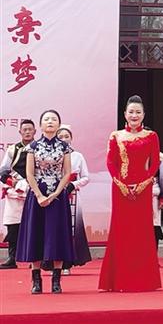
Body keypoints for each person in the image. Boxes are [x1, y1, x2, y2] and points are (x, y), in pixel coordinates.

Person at [99, 95, 161, 292]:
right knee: (121, 231)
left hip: (144, 188)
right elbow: (111, 162)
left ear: (144, 115)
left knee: (142, 232)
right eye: (131, 112)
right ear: (125, 114)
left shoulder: (151, 136)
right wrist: (120, 183)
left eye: (138, 112)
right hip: (120, 189)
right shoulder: (116, 136)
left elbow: (155, 163)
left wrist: (145, 183)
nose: (134, 115)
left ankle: (144, 279)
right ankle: (119, 279)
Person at [16, 110, 74, 294]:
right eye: (46, 119)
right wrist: (39, 195)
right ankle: (36, 280)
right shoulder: (33, 146)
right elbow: (29, 173)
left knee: (57, 234)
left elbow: (67, 172)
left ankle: (57, 280)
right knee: (36, 233)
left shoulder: (64, 147)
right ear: (40, 125)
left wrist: (57, 192)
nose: (50, 122)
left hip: (58, 196)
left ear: (59, 124)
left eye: (54, 119)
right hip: (37, 195)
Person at [55, 125, 91, 272]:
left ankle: (67, 264)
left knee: (71, 229)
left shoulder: (78, 156)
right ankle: (51, 263)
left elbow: (86, 177)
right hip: (54, 195)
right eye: (60, 137)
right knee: (55, 229)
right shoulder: (51, 155)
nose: (64, 139)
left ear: (71, 138)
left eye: (66, 136)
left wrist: (73, 185)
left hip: (73, 196)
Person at [0, 119, 35, 269]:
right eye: (24, 129)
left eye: (30, 129)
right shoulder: (13, 150)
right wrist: (13, 183)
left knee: (34, 225)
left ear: (35, 131)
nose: (27, 132)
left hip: (34, 191)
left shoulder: (39, 148)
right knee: (13, 226)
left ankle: (35, 259)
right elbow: (3, 171)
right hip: (15, 192)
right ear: (20, 131)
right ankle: (12, 258)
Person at [152, 151, 163, 249]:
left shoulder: (160, 157)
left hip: (153, 193)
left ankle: (154, 252)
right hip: (138, 194)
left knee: (154, 224)